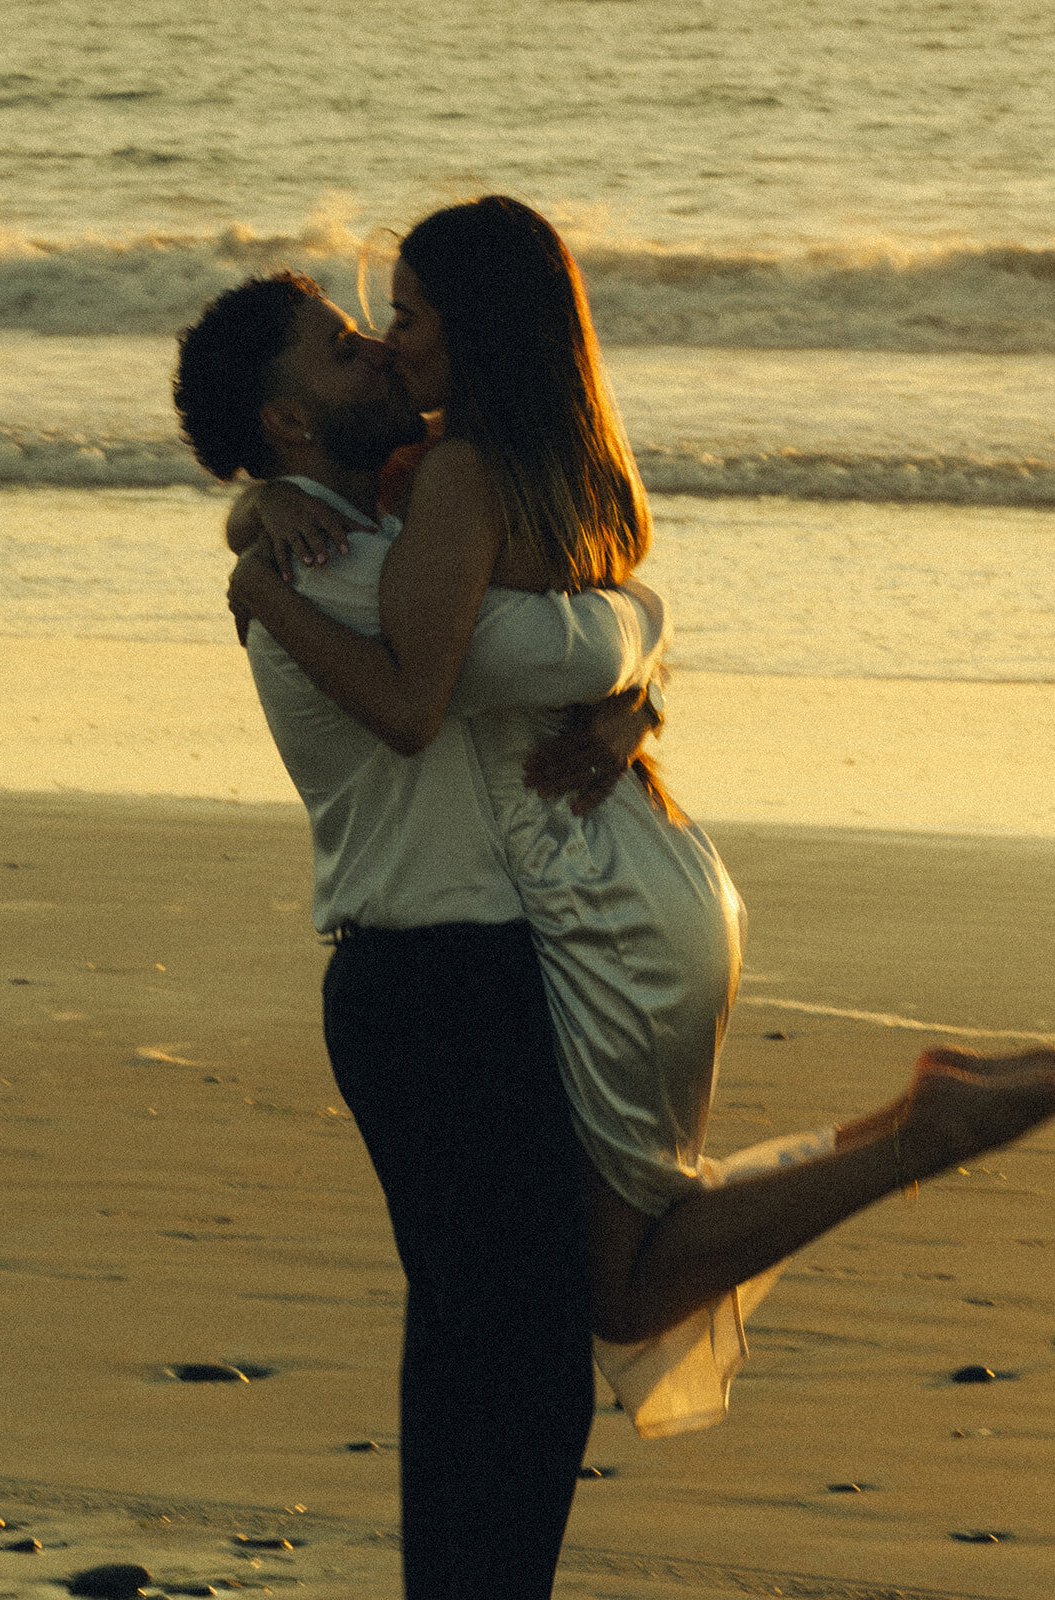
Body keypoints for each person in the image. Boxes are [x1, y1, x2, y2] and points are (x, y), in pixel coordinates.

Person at [225, 197, 1055, 1441]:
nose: (388, 345)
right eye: (371, 327)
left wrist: (248, 572)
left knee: (619, 1288)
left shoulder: (450, 483)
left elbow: (422, 682)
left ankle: (920, 1133)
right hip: (653, 872)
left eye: (401, 318)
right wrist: (636, 689)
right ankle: (918, 1124)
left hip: (595, 903)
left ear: (474, 329)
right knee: (617, 1270)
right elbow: (592, 625)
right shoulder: (557, 469)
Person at [173, 269, 673, 1600]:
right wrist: (643, 651)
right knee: (517, 1371)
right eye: (341, 349)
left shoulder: (356, 532)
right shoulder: (342, 574)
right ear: (287, 426)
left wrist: (638, 702)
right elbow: (583, 633)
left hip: (437, 982)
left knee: (470, 1356)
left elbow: (559, 639)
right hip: (439, 987)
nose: (378, 354)